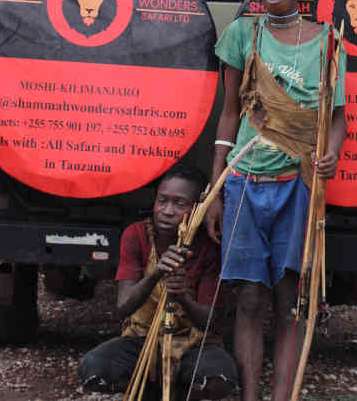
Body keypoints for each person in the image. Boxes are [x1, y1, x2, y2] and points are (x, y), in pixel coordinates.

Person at [205, 0, 347, 401]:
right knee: (248, 298)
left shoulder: (328, 42)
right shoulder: (243, 35)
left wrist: (332, 151)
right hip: (245, 182)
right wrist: (214, 190)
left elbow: (339, 118)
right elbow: (228, 114)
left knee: (291, 302)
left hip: (298, 185)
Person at [78, 164, 238, 399]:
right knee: (94, 369)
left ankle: (183, 391)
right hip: (142, 341)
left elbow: (211, 323)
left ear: (196, 210)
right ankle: (149, 389)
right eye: (162, 201)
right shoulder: (137, 235)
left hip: (193, 345)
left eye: (179, 204)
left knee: (218, 378)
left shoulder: (209, 246)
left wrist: (183, 295)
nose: (167, 210)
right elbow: (123, 307)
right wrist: (155, 275)